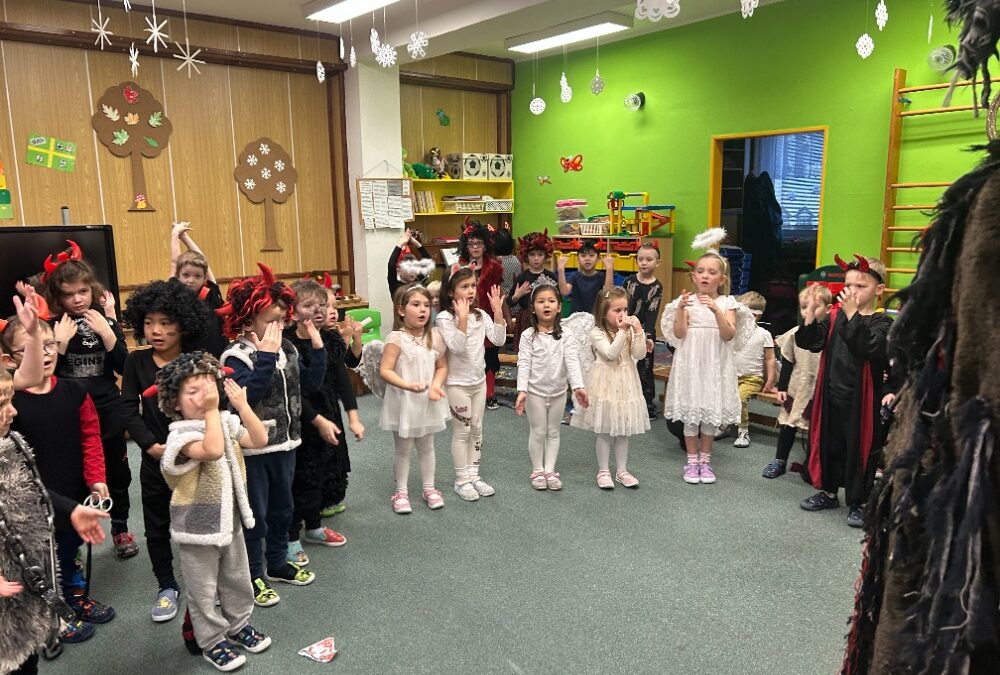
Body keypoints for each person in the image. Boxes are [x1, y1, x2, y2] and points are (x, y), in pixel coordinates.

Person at [2, 306, 114, 644]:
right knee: (40, 559)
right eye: (34, 348)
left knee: (69, 549)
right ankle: (53, 614)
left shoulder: (74, 391)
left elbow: (90, 437)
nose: (46, 353)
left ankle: (76, 598)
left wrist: (96, 477)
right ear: (9, 359)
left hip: (71, 491)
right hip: (30, 501)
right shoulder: (9, 402)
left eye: (50, 344)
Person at [154, 352, 272, 672]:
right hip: (196, 527)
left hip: (230, 520)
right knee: (202, 589)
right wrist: (210, 412)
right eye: (193, 392)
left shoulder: (224, 421)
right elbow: (213, 450)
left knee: (237, 577)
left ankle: (239, 624)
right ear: (175, 402)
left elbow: (259, 439)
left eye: (208, 388)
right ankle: (211, 640)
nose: (204, 396)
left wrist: (242, 407)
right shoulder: (180, 435)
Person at [219, 263, 324, 607]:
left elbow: (309, 385)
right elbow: (246, 398)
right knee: (256, 515)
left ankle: (277, 562)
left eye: (282, 320)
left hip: (287, 445)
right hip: (254, 451)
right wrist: (264, 356)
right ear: (248, 322)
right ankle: (253, 573)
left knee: (283, 509)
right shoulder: (235, 356)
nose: (279, 328)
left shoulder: (287, 349)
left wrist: (318, 350)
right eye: (270, 321)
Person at [120, 279, 211, 626]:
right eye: (148, 323)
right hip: (155, 458)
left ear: (183, 324)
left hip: (195, 458)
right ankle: (166, 585)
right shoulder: (136, 361)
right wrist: (150, 445)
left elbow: (212, 409)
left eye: (165, 323)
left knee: (200, 521)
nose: (156, 331)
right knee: (157, 525)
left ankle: (205, 583)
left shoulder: (197, 361)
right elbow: (128, 408)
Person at [41, 247, 137, 558]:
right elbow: (44, 376)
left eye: (82, 291)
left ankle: (120, 528)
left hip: (107, 407)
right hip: (69, 412)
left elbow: (125, 369)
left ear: (91, 289)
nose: (77, 299)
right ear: (58, 297)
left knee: (116, 473)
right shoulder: (53, 326)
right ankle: (74, 535)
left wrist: (109, 335)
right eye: (69, 294)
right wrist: (59, 344)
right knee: (74, 474)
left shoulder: (103, 320)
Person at [795, 255, 892, 528]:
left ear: (879, 290)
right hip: (830, 396)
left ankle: (858, 502)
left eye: (860, 286)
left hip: (862, 402)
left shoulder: (882, 323)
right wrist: (810, 317)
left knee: (859, 451)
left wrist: (851, 315)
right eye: (848, 285)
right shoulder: (834, 317)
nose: (852, 291)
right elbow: (812, 343)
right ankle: (828, 493)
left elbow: (867, 347)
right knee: (830, 445)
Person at [284, 279, 357, 564]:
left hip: (325, 415)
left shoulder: (331, 340)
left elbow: (341, 381)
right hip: (299, 420)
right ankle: (291, 536)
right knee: (296, 479)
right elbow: (298, 392)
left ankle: (313, 526)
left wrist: (351, 415)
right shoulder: (287, 344)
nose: (318, 311)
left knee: (318, 474)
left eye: (322, 305)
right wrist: (317, 420)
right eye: (308, 305)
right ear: (292, 311)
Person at [661, 248, 744, 485]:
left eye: (712, 272)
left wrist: (716, 311)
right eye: (701, 271)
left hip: (714, 364)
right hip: (691, 364)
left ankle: (705, 461)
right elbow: (679, 334)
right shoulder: (685, 302)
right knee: (691, 414)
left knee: (708, 413)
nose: (705, 275)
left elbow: (728, 334)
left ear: (722, 279)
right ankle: (691, 461)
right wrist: (680, 309)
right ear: (693, 276)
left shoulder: (727, 303)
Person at [435, 265, 506, 501]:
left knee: (477, 429)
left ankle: (474, 475)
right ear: (450, 291)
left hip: (478, 383)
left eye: (473, 285)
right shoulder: (445, 318)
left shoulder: (480, 315)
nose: (470, 290)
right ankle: (461, 479)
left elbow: (498, 339)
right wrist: (462, 319)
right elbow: (456, 346)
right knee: (462, 431)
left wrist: (497, 312)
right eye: (464, 286)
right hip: (457, 385)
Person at [379, 285, 451, 513]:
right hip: (404, 402)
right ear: (401, 310)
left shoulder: (434, 336)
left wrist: (436, 385)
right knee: (404, 448)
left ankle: (429, 489)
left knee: (427, 447)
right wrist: (407, 385)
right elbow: (385, 370)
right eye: (416, 305)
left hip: (427, 401)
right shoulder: (396, 338)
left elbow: (442, 366)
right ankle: (401, 492)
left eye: (426, 305)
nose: (423, 310)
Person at [571, 286, 649, 489]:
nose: (622, 314)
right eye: (617, 310)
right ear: (603, 312)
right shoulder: (597, 333)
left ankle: (622, 471)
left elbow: (639, 354)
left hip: (626, 383)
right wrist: (623, 331)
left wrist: (638, 332)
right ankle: (603, 471)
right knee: (605, 431)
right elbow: (611, 354)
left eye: (625, 309)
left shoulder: (628, 331)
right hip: (605, 384)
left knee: (623, 431)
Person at [514, 282, 588, 491]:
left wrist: (578, 387)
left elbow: (572, 361)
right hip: (535, 393)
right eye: (541, 301)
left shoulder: (567, 335)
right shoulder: (528, 335)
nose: (546, 305)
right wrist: (522, 391)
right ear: (533, 308)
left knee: (554, 432)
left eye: (551, 301)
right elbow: (524, 363)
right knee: (538, 431)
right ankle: (538, 469)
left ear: (559, 307)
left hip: (558, 393)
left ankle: (549, 469)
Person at [762, 285, 830, 479]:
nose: (808, 312)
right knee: (788, 424)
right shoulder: (794, 333)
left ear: (828, 308)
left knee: (815, 428)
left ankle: (811, 464)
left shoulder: (831, 334)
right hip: (796, 386)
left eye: (814, 307)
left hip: (819, 389)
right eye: (804, 307)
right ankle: (780, 460)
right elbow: (788, 360)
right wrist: (782, 387)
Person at [318, 285, 362, 519]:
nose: (333, 311)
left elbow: (351, 363)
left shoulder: (333, 334)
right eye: (327, 307)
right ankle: (319, 500)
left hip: (332, 402)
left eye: (335, 306)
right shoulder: (308, 338)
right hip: (315, 404)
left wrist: (356, 338)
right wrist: (343, 339)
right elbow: (322, 366)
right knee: (320, 451)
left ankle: (332, 496)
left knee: (336, 447)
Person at [456, 219, 504, 410]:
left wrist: (502, 314)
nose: (475, 247)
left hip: (489, 315)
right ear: (466, 246)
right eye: (471, 244)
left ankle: (490, 394)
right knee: (470, 353)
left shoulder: (494, 266)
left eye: (479, 243)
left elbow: (498, 291)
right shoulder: (460, 266)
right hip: (467, 316)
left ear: (485, 246)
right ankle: (469, 391)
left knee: (490, 355)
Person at [170, 222, 227, 357]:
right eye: (186, 275)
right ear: (178, 276)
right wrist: (174, 235)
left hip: (218, 359)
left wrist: (185, 237)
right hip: (190, 361)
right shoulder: (175, 297)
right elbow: (174, 262)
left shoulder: (211, 294)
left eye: (197, 276)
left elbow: (204, 262)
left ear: (204, 278)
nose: (191, 280)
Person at [622, 243, 663, 421]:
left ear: (657, 263)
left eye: (649, 259)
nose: (644, 262)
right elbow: (621, 303)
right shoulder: (629, 281)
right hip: (625, 329)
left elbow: (652, 313)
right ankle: (625, 401)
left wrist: (648, 336)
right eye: (640, 259)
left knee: (645, 369)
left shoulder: (657, 287)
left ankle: (647, 404)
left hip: (645, 332)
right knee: (624, 365)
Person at [732, 291, 777, 447]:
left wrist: (771, 380)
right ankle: (724, 425)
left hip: (752, 378)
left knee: (739, 399)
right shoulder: (732, 331)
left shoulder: (764, 334)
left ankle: (743, 431)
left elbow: (770, 359)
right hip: (730, 377)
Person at [506, 230, 557, 353]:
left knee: (546, 351)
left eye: (540, 254)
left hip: (546, 318)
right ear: (526, 256)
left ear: (545, 255)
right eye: (532, 255)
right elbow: (510, 302)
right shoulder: (522, 277)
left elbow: (558, 298)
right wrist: (517, 295)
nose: (536, 258)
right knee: (526, 352)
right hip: (526, 319)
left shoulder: (550, 276)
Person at [557, 241, 615, 315]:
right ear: (578, 259)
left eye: (591, 255)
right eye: (583, 256)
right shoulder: (574, 276)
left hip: (596, 317)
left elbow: (608, 293)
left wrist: (609, 269)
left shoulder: (601, 276)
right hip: (577, 317)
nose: (587, 259)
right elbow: (564, 292)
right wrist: (561, 269)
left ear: (598, 259)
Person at [388, 228, 434, 298]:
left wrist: (416, 243)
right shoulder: (395, 284)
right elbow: (391, 265)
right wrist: (400, 244)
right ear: (399, 271)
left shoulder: (418, 280)